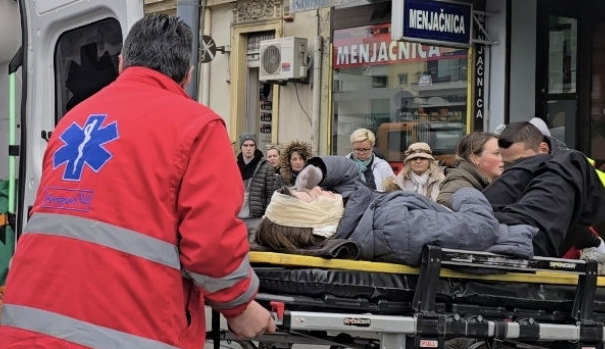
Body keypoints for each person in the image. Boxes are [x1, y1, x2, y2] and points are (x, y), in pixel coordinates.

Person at [0, 15, 275, 349]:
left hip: (23, 347)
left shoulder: (74, 121)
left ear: (123, 63)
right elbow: (211, 247)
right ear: (188, 75)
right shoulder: (196, 126)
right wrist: (240, 308)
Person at [255, 155, 537, 266]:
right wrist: (465, 190)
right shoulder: (391, 226)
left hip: (492, 228)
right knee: (561, 167)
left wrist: (317, 171)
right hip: (511, 239)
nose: (317, 188)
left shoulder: (353, 218)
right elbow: (482, 231)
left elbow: (350, 174)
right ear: (317, 225)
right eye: (309, 195)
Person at [488, 121, 605, 260]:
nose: (514, 170)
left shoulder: (565, 175)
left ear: (543, 148)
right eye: (507, 164)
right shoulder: (566, 171)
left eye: (522, 161)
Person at [437, 132, 504, 209]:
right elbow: (444, 205)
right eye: (496, 153)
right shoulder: (460, 185)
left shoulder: (485, 182)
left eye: (503, 153)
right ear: (475, 158)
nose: (504, 158)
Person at [242, 145, 282, 242]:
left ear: (280, 157)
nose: (272, 159)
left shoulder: (284, 174)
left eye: (274, 156)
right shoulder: (261, 172)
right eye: (269, 156)